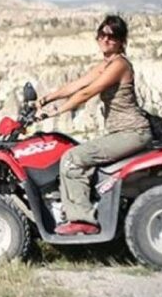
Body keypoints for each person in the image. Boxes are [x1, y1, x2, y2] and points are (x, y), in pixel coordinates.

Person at [35, 14, 152, 235]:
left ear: (122, 41)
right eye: (102, 34)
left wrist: (56, 112)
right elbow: (77, 85)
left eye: (112, 36)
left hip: (132, 132)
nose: (106, 39)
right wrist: (48, 98)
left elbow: (88, 92)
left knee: (72, 158)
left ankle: (83, 220)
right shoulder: (106, 65)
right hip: (120, 132)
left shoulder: (120, 65)